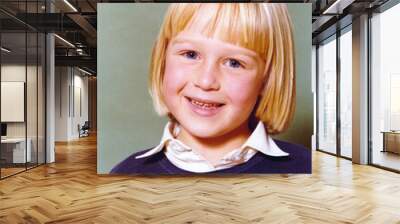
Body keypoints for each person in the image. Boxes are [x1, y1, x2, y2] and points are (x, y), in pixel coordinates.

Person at [111, 3, 311, 174]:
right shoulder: (125, 172)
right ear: (162, 60)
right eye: (190, 54)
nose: (206, 82)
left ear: (267, 79)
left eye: (234, 63)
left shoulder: (306, 166)